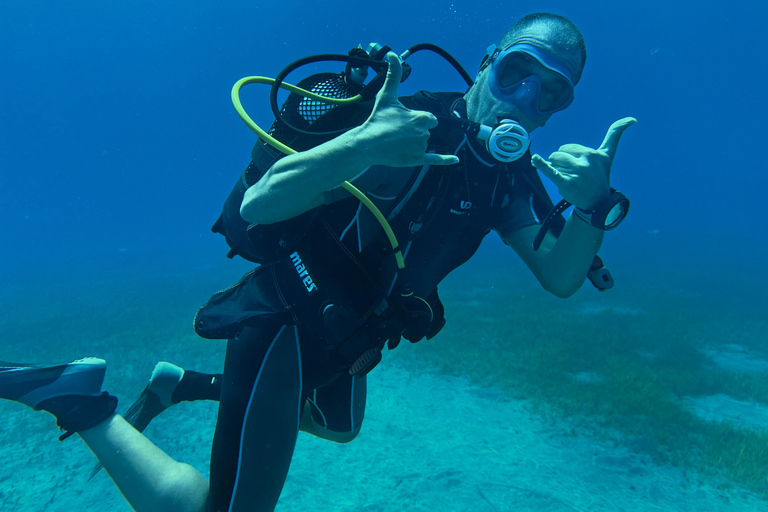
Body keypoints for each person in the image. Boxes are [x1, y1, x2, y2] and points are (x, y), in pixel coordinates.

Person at [0, 12, 635, 512]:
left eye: (552, 95)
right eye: (518, 74)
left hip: (352, 331)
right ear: (488, 62)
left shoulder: (508, 180)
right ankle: (79, 401)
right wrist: (361, 145)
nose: (526, 101)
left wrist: (589, 208)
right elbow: (258, 206)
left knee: (339, 427)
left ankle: (182, 385)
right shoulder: (406, 127)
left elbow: (558, 276)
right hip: (287, 322)